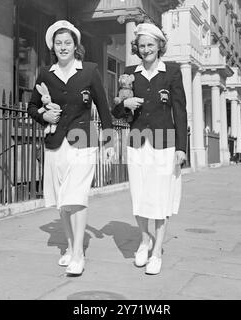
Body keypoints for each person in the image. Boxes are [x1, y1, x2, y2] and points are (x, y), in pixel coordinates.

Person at [28, 20, 113, 276]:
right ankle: (69, 245)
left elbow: (104, 107)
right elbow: (32, 107)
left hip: (83, 142)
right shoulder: (45, 74)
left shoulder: (90, 71)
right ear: (52, 47)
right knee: (63, 203)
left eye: (68, 43)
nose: (63, 47)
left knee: (77, 197)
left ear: (76, 46)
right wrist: (45, 117)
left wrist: (108, 140)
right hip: (56, 145)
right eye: (58, 43)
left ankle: (78, 254)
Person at [112, 23, 187, 275]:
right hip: (137, 143)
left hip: (165, 144)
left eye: (150, 45)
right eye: (142, 45)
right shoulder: (129, 73)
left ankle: (157, 252)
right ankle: (144, 241)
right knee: (140, 195)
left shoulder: (172, 72)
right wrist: (126, 104)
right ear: (137, 48)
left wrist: (181, 147)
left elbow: (180, 111)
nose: (146, 50)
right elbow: (116, 111)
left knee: (161, 196)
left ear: (159, 46)